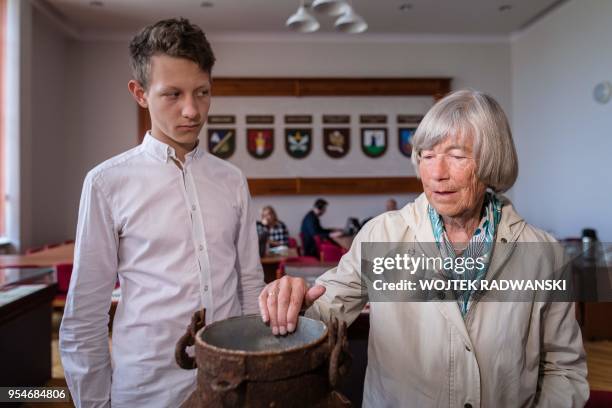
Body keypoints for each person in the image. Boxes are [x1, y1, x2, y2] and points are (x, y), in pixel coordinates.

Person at [259, 90, 588, 406]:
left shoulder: (545, 254)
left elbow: (564, 369)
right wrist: (295, 305)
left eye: (456, 156)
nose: (436, 173)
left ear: (492, 161)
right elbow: (325, 310)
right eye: (426, 156)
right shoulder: (382, 234)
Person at [60, 18, 264, 407]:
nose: (192, 110)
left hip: (231, 382)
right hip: (146, 388)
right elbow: (86, 312)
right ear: (140, 93)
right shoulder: (107, 183)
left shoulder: (232, 180)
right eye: (172, 94)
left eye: (202, 92)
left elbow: (249, 283)